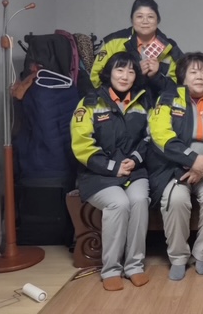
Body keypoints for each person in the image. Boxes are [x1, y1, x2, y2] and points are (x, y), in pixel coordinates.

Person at [147, 52, 203, 281]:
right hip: (172, 166)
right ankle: (178, 257)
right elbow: (160, 134)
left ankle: (202, 254)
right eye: (193, 72)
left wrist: (202, 165)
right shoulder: (168, 97)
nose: (199, 76)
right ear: (183, 77)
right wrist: (192, 159)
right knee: (176, 200)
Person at [70, 52, 151, 291]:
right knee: (119, 203)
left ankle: (134, 266)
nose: (125, 76)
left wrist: (134, 160)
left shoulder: (143, 101)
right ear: (109, 73)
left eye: (131, 71)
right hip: (97, 175)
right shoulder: (90, 102)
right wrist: (113, 167)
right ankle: (111, 270)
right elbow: (82, 146)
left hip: (134, 171)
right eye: (119, 70)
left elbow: (149, 138)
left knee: (139, 201)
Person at [90, 0, 183, 103]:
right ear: (132, 19)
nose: (145, 21)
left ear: (158, 20)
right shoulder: (113, 42)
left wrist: (156, 76)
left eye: (150, 17)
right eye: (139, 16)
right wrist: (135, 74)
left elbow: (181, 87)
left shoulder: (170, 48)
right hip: (119, 105)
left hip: (159, 107)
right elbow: (96, 79)